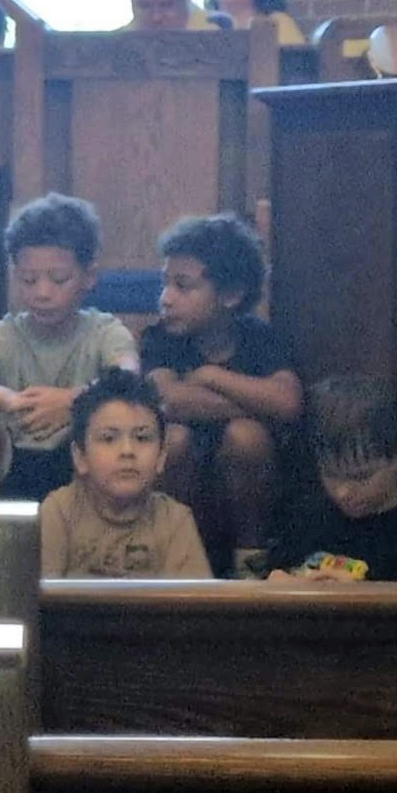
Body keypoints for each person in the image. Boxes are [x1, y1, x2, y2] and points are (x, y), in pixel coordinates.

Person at [0, 193, 138, 616]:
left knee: (119, 416)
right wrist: (6, 398)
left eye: (58, 279)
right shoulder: (5, 334)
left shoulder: (104, 331)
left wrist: (72, 401)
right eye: (28, 280)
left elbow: (128, 378)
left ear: (88, 276)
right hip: (14, 467)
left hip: (79, 468)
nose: (42, 293)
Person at [141, 214, 303, 576]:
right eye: (165, 283)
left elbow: (288, 402)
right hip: (187, 487)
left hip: (254, 494)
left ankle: (251, 562)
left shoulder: (260, 338)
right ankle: (179, 557)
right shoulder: (161, 339)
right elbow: (169, 400)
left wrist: (211, 376)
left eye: (183, 286)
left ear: (230, 294)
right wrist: (256, 403)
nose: (166, 298)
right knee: (174, 439)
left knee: (246, 435)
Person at [266, 376, 397, 582]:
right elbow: (274, 575)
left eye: (361, 477)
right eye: (331, 474)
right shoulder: (305, 518)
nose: (343, 492)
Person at [41, 369, 210, 578]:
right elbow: (34, 595)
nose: (127, 451)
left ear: (161, 456)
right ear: (80, 456)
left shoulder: (175, 520)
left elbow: (195, 598)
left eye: (142, 438)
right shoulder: (59, 512)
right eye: (108, 438)